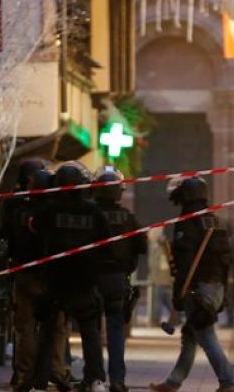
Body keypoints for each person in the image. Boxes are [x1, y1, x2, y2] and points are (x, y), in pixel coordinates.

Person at [149, 177, 234, 392]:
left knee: (206, 337)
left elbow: (184, 264)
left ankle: (228, 384)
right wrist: (224, 293)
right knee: (190, 336)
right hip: (215, 285)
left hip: (196, 288)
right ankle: (173, 383)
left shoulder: (188, 222)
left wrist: (178, 295)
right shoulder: (217, 221)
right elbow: (227, 261)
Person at [33, 162, 110, 392]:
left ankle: (40, 381)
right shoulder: (93, 212)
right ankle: (95, 379)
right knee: (89, 332)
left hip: (56, 279)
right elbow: (105, 245)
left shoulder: (49, 210)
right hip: (84, 280)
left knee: (48, 332)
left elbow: (37, 232)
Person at [0, 161, 72, 392]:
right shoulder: (55, 213)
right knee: (58, 326)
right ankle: (57, 370)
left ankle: (24, 374)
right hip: (53, 277)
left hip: (24, 274)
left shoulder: (17, 210)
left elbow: (6, 237)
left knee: (25, 327)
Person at [92, 167, 148, 392]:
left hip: (93, 279)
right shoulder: (128, 217)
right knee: (116, 330)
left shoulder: (91, 215)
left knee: (92, 331)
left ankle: (95, 379)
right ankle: (117, 380)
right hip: (118, 279)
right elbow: (142, 246)